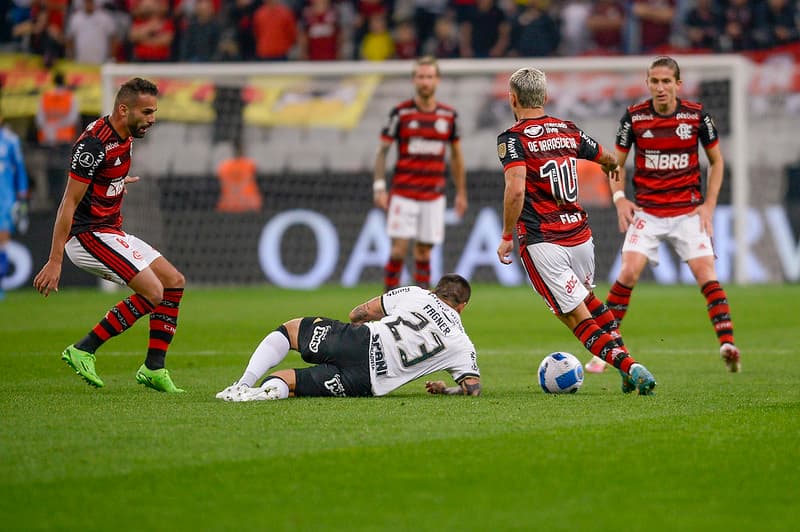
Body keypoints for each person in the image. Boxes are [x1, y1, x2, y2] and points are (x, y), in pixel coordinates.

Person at [495, 66, 656, 395]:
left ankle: (630, 367)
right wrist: (612, 168)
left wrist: (507, 235)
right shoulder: (568, 130)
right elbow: (607, 158)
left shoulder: (512, 139)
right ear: (544, 96)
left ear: (512, 99)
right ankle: (626, 366)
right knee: (590, 301)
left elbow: (516, 190)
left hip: (544, 241)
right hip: (580, 237)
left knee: (575, 318)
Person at [33, 77, 186, 393]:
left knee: (174, 282)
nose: (152, 119)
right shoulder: (93, 146)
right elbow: (68, 202)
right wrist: (55, 260)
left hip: (110, 230)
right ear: (124, 109)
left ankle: (154, 367)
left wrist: (114, 182)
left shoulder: (126, 134)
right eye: (146, 112)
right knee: (153, 292)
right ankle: (83, 349)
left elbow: (102, 174)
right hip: (86, 236)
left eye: (154, 112)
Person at [600, 56, 740, 374]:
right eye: (654, 81)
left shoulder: (696, 116)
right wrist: (619, 199)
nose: (660, 87)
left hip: (688, 212)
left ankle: (728, 345)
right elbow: (615, 165)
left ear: (678, 84)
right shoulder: (634, 118)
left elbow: (717, 161)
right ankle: (605, 348)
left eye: (666, 81)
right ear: (647, 83)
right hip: (647, 212)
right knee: (628, 272)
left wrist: (709, 205)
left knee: (706, 273)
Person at [216, 273, 481, 401]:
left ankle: (243, 384)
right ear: (462, 306)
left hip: (359, 341)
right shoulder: (462, 344)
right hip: (367, 383)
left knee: (291, 330)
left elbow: (358, 313)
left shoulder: (417, 294)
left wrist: (347, 333)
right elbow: (472, 389)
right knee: (290, 382)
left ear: (435, 290)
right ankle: (263, 393)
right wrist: (445, 389)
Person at [373, 56, 467, 292]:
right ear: (414, 80)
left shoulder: (449, 116)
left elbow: (456, 156)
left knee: (424, 253)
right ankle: (389, 302)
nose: (425, 82)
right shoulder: (401, 113)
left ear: (437, 80)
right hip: (403, 192)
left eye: (429, 77)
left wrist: (461, 193)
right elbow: (382, 151)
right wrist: (379, 187)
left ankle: (421, 305)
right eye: (421, 77)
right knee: (398, 250)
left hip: (433, 195)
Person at [0, 107, 30, 301]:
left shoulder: (10, 140)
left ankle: (0, 283)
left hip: (4, 200)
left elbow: (19, 169)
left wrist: (22, 199)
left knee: (2, 240)